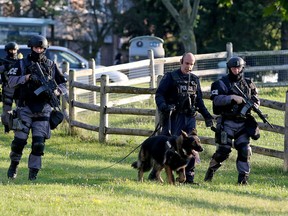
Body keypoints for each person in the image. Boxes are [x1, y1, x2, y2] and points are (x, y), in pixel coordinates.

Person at [6, 35, 67, 181]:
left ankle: (33, 174)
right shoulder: (21, 64)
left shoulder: (51, 65)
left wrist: (57, 91)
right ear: (31, 47)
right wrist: (26, 78)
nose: (38, 50)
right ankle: (14, 165)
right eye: (36, 48)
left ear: (44, 49)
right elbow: (10, 81)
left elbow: (64, 84)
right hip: (24, 108)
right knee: (19, 141)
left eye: (41, 48)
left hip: (44, 108)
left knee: (39, 144)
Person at [149, 52, 214, 184]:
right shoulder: (170, 77)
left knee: (191, 147)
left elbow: (199, 101)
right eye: (186, 63)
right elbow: (159, 95)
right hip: (173, 117)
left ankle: (188, 178)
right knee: (169, 147)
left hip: (189, 118)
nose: (189, 66)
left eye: (191, 64)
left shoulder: (195, 80)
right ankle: (155, 174)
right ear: (181, 62)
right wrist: (164, 106)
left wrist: (207, 116)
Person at [204, 56, 260, 185]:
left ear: (242, 68)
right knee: (223, 150)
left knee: (245, 150)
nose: (236, 70)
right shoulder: (220, 83)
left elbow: (256, 99)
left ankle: (243, 178)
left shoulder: (249, 83)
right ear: (229, 68)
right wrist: (232, 98)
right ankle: (211, 170)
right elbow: (216, 100)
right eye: (233, 67)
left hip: (243, 123)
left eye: (238, 67)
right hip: (227, 122)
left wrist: (255, 104)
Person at [0, 42, 20, 133]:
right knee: (6, 110)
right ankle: (7, 127)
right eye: (11, 50)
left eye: (14, 50)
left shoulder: (20, 62)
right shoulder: (3, 62)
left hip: (19, 89)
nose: (13, 52)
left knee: (20, 109)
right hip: (7, 89)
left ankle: (17, 127)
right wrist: (5, 67)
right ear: (7, 51)